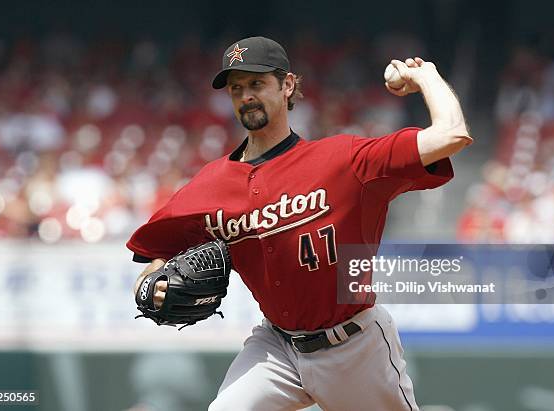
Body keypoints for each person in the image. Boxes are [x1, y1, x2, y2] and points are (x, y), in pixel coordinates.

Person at [127, 36, 472, 411]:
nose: (246, 96)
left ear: (287, 85)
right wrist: (150, 285)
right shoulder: (209, 186)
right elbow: (153, 254)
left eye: (256, 83)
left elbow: (451, 134)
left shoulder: (344, 161)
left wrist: (428, 77)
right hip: (275, 346)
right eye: (236, 88)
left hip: (353, 347)